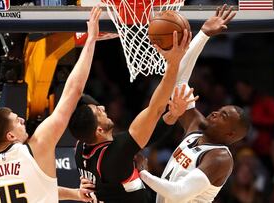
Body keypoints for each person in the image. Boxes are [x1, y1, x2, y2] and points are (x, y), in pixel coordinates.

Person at [0, 6, 102, 203]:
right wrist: (91, 39)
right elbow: (73, 92)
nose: (23, 119)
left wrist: (75, 194)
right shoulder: (38, 147)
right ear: (10, 135)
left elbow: (31, 187)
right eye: (17, 121)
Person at [134, 5, 250, 203]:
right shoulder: (197, 126)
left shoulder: (220, 158)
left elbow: (179, 192)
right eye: (219, 110)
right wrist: (203, 34)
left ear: (230, 134)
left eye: (223, 116)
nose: (214, 113)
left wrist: (143, 172)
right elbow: (178, 82)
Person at [69, 27, 192, 202]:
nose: (102, 107)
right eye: (98, 111)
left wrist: (172, 115)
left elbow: (145, 136)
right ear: (98, 130)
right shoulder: (116, 153)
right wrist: (174, 63)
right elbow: (155, 109)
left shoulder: (82, 146)